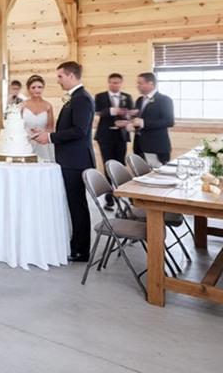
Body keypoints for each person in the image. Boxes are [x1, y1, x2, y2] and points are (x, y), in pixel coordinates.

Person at [32, 62, 94, 262]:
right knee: (73, 204)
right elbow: (69, 128)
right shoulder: (75, 97)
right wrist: (46, 133)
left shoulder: (81, 99)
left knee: (77, 205)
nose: (58, 80)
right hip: (71, 159)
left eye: (60, 76)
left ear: (71, 76)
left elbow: (79, 130)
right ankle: (76, 245)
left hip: (76, 161)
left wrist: (50, 138)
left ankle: (81, 250)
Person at [94, 73, 133, 209]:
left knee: (120, 166)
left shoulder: (127, 97)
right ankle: (109, 198)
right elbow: (97, 111)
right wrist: (112, 111)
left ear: (121, 83)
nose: (114, 85)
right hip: (105, 136)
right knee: (108, 165)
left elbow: (131, 114)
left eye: (117, 82)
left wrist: (126, 120)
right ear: (108, 83)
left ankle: (121, 196)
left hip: (121, 136)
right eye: (112, 82)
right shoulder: (100, 96)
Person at [124, 72, 175, 166]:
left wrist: (143, 123)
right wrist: (131, 122)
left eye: (140, 83)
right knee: (141, 173)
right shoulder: (139, 100)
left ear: (150, 83)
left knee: (157, 174)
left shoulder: (164, 100)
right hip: (139, 146)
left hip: (156, 146)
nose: (137, 86)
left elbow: (169, 121)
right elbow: (139, 120)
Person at [22, 75, 55, 162]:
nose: (37, 90)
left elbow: (50, 128)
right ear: (28, 89)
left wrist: (42, 134)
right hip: (25, 143)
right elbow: (17, 126)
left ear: (43, 88)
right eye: (33, 87)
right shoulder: (22, 106)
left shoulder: (48, 106)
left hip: (43, 144)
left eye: (39, 87)